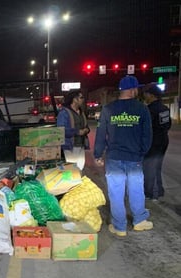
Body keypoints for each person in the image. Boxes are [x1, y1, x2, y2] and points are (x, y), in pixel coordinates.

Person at [94, 75, 152, 237]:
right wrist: (142, 152)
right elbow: (147, 136)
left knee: (116, 192)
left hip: (114, 157)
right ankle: (139, 221)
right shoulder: (142, 109)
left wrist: (98, 154)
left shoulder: (108, 109)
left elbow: (101, 135)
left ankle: (120, 227)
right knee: (136, 189)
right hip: (134, 158)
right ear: (133, 89)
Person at [142, 83, 171, 201]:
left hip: (153, 142)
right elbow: (168, 125)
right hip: (163, 140)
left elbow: (146, 128)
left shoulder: (149, 110)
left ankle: (151, 193)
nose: (145, 96)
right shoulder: (165, 109)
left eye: (146, 94)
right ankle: (158, 190)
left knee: (149, 168)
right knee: (157, 166)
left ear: (152, 95)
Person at [56, 90, 90, 170]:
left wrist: (86, 130)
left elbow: (86, 126)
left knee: (80, 168)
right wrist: (77, 132)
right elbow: (61, 130)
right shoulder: (64, 113)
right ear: (75, 99)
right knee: (72, 170)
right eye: (81, 97)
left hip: (81, 145)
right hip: (70, 146)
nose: (83, 99)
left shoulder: (81, 113)